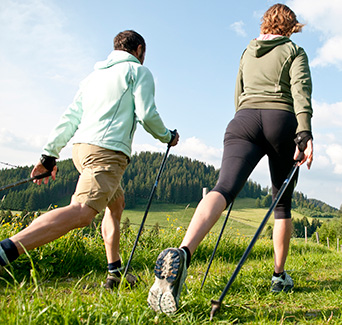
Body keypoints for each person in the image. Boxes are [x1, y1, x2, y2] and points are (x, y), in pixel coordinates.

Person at [147, 4, 313, 314]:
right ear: (290, 26)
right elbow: (301, 90)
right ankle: (278, 276)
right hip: (282, 120)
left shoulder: (247, 51)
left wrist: (245, 119)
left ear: (265, 23)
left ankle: (183, 252)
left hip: (244, 119)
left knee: (222, 188)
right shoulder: (294, 50)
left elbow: (238, 92)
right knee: (282, 203)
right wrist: (304, 132)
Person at [0, 30, 179, 288]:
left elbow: (70, 117)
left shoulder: (93, 77)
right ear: (139, 50)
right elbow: (147, 113)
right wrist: (167, 136)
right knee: (83, 213)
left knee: (116, 205)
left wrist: (49, 156)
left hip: (81, 150)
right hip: (107, 152)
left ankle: (114, 273)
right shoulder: (138, 72)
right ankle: (7, 249)